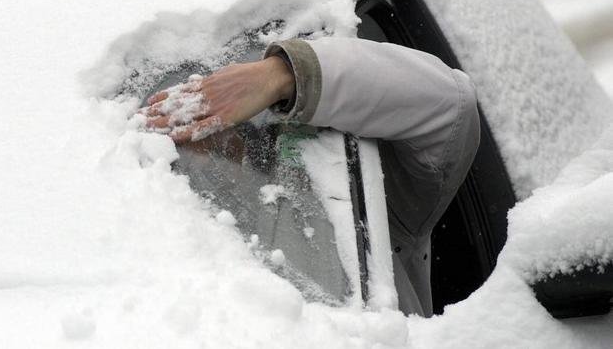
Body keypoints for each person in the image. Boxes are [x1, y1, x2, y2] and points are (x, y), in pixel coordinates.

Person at [142, 37, 480, 317]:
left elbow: (451, 106)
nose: (200, 138)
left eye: (211, 116)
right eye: (179, 135)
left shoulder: (360, 191)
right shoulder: (156, 262)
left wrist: (284, 75)